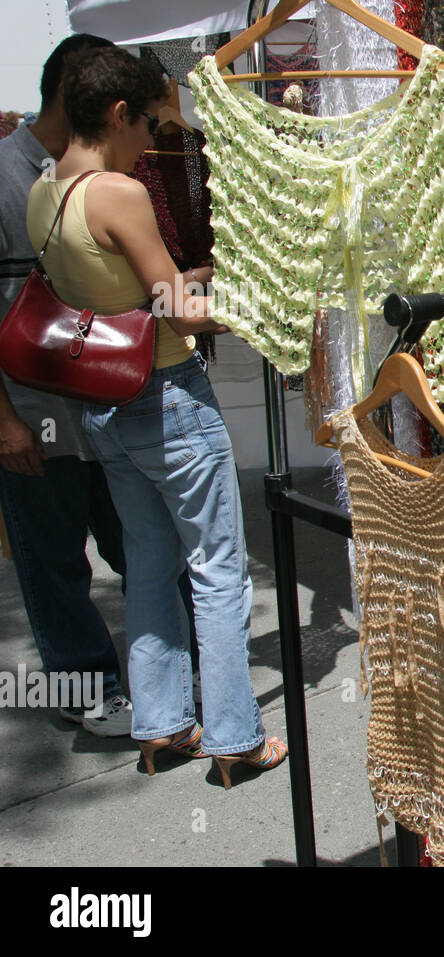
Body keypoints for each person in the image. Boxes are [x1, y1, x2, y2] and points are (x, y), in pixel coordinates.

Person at [26, 46, 286, 785]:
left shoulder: (48, 189)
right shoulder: (119, 192)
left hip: (105, 402)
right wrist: (263, 308)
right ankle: (235, 738)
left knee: (146, 565)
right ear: (116, 114)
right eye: (148, 122)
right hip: (167, 397)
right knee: (218, 569)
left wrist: (184, 283)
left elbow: (121, 286)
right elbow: (180, 312)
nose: (153, 140)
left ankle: (161, 725)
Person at [0, 33, 131, 736]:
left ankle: (165, 676)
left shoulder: (93, 172)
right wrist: (5, 422)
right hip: (31, 413)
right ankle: (88, 692)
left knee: (137, 543)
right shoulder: (3, 173)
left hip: (105, 407)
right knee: (53, 565)